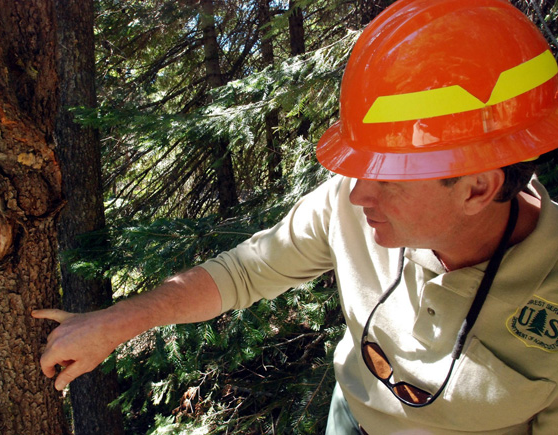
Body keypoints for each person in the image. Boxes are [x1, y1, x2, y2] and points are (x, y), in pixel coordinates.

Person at [32, 0, 558, 432]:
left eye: (389, 178)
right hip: (354, 417)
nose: (356, 196)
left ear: (478, 188)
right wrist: (114, 324)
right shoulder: (353, 203)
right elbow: (246, 271)